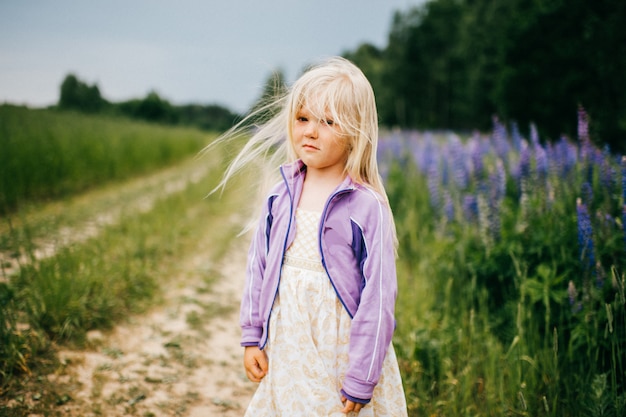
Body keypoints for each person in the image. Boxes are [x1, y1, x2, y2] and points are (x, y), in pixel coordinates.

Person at [210, 56, 407, 416]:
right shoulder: (280, 194)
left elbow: (378, 297)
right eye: (303, 119)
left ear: (355, 132)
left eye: (328, 122)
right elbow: (259, 269)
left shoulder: (367, 205)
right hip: (289, 349)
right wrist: (252, 336)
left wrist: (362, 375)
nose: (310, 131)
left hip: (340, 353)